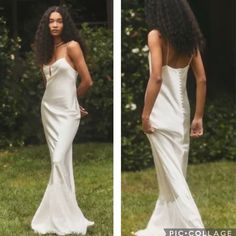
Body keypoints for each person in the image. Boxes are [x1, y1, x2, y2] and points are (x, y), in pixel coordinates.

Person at [133, 0, 207, 235]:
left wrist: (145, 114)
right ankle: (163, 227)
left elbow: (156, 77)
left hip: (160, 115)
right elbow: (202, 79)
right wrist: (198, 117)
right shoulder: (190, 40)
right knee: (172, 176)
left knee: (173, 178)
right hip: (182, 114)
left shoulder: (156, 36)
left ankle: (196, 230)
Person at [31, 6, 94, 235]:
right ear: (46, 26)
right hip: (48, 110)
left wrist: (73, 102)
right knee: (59, 163)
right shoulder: (44, 52)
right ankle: (61, 214)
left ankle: (64, 216)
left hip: (68, 113)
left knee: (59, 160)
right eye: (51, 21)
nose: (55, 25)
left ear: (65, 24)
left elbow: (87, 81)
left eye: (59, 21)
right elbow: (49, 85)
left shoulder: (72, 47)